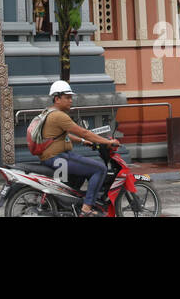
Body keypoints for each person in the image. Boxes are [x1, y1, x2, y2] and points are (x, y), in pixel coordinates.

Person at [38, 80, 121, 216]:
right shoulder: (59, 116)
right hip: (58, 157)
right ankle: (86, 209)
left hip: (52, 156)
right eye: (67, 97)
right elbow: (84, 132)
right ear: (57, 98)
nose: (71, 100)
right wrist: (107, 142)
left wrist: (83, 141)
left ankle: (70, 204)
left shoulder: (48, 112)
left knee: (83, 169)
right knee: (100, 169)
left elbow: (64, 135)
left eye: (71, 97)